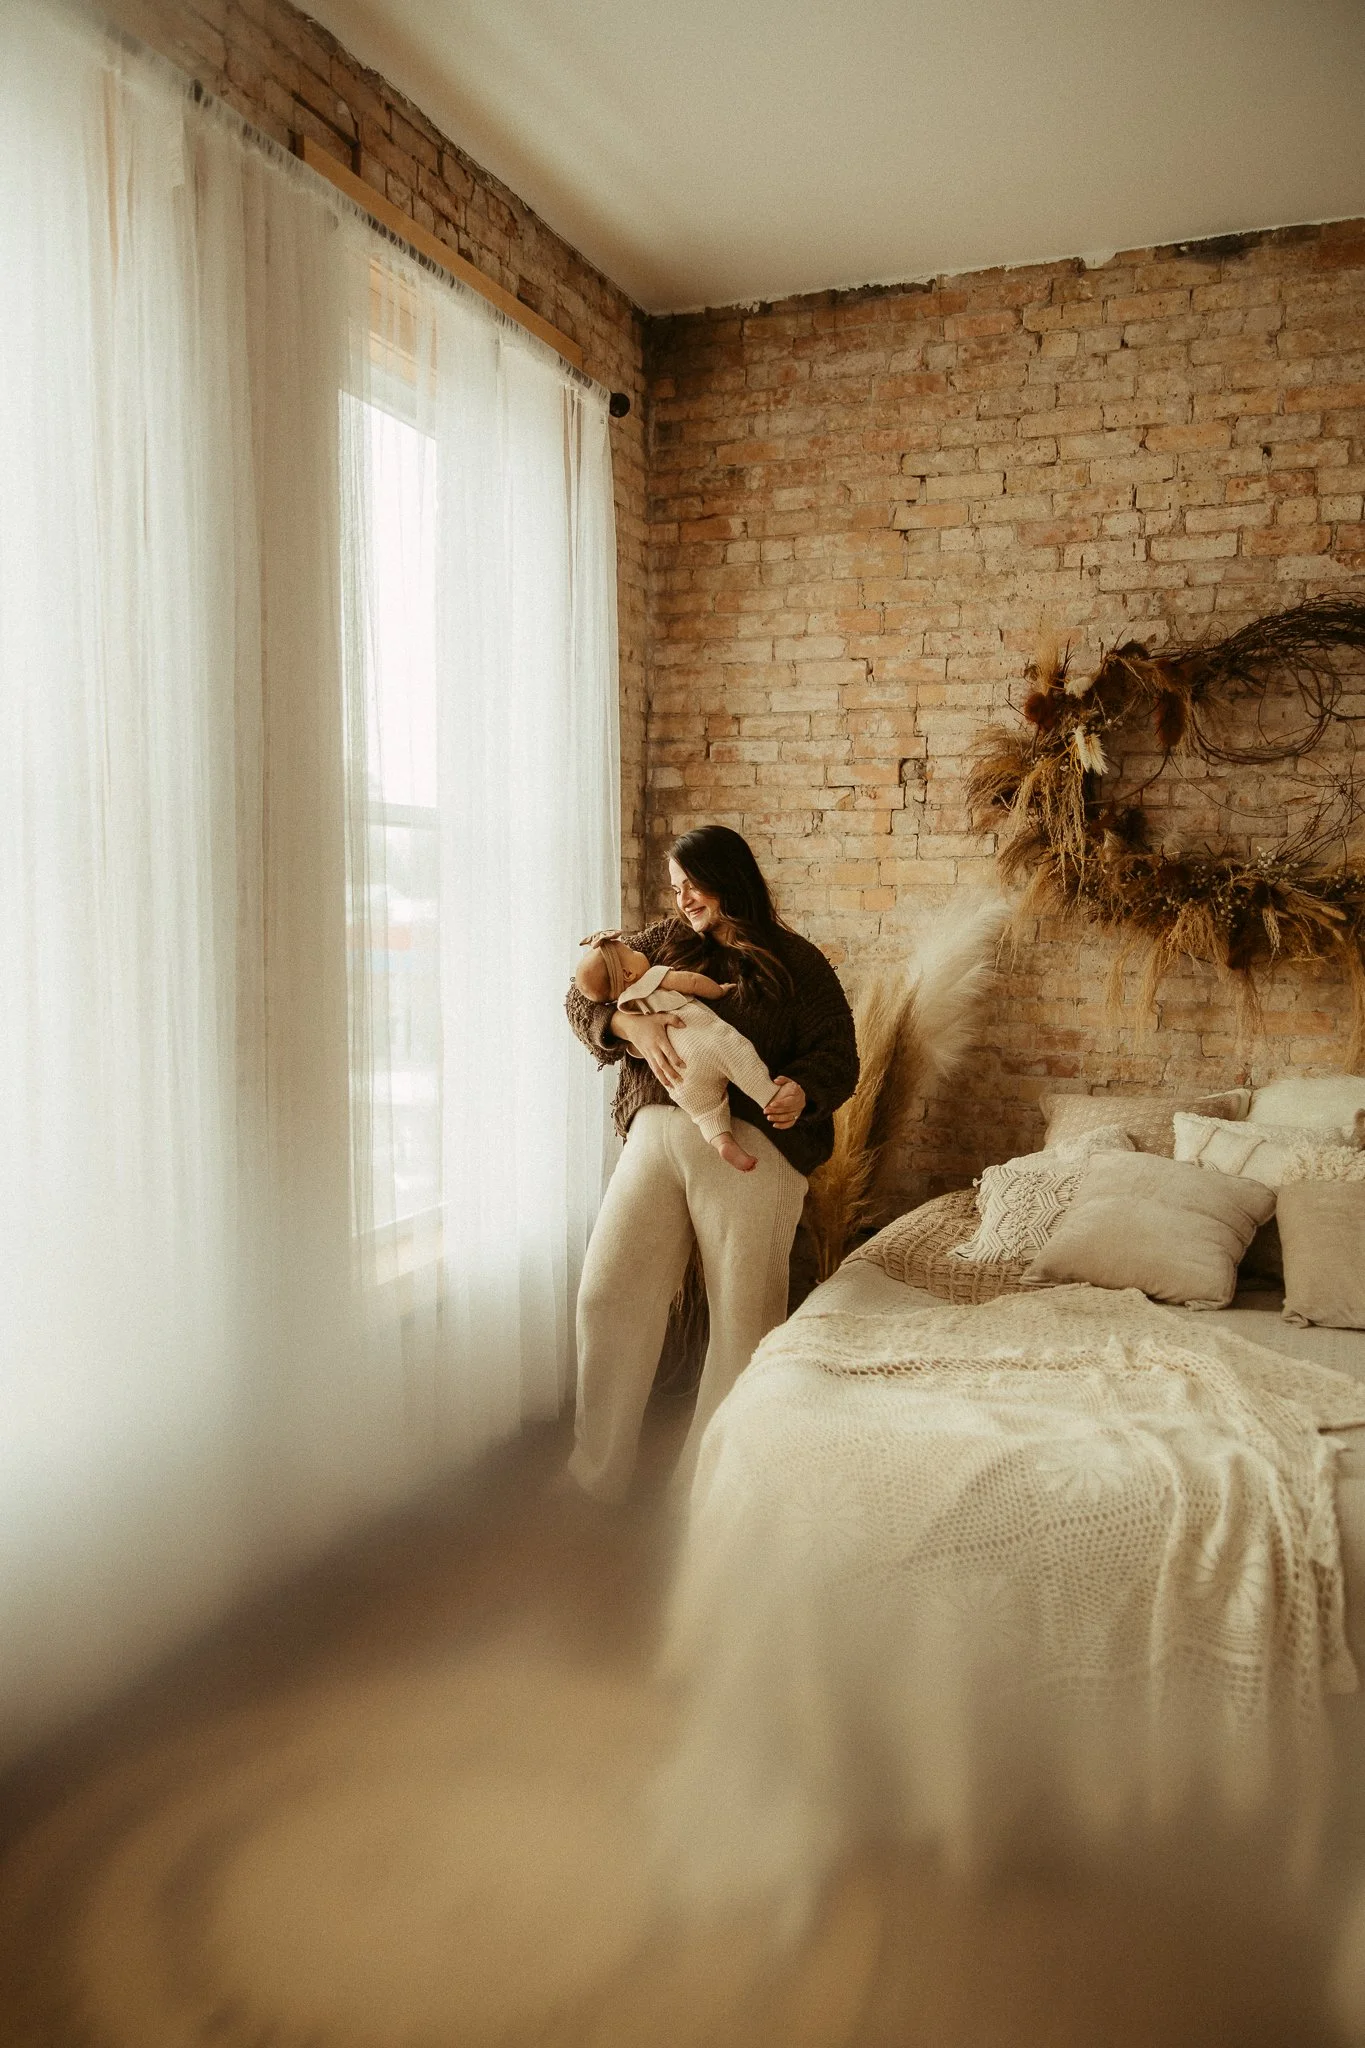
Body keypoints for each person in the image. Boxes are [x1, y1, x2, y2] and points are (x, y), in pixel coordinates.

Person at [564, 825, 859, 1502]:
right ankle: (593, 1476)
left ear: (731, 877)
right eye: (675, 886)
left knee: (741, 1319)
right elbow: (580, 998)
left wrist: (799, 1091)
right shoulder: (656, 943)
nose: (683, 896)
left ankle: (713, 1495)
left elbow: (838, 1057)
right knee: (607, 1294)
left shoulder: (796, 962)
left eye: (693, 882)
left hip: (751, 1151)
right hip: (654, 1136)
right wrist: (625, 1025)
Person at [573, 933, 777, 1171]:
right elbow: (692, 982)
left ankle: (722, 1141)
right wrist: (719, 991)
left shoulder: (626, 1008)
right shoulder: (654, 977)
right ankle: (770, 1096)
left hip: (677, 1075)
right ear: (628, 974)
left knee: (705, 1109)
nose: (640, 953)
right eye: (632, 953)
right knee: (738, 1055)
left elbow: (638, 1050)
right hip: (705, 1044)